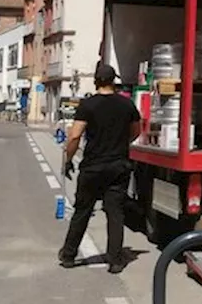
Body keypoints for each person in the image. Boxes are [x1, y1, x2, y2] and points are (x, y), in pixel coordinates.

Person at [59, 64, 142, 274]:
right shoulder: (127, 105)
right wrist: (121, 144)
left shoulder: (88, 105)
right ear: (114, 81)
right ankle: (114, 260)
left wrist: (68, 159)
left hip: (93, 167)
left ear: (96, 81)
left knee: (83, 210)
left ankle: (69, 255)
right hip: (118, 165)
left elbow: (75, 135)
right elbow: (136, 131)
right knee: (115, 212)